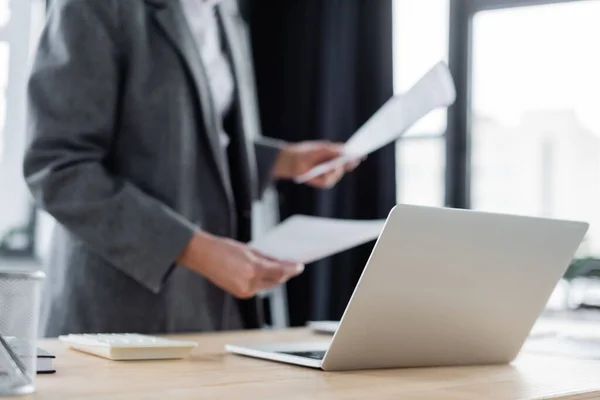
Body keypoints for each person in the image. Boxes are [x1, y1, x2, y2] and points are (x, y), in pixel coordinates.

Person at [23, 0, 359, 336]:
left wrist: (284, 161)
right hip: (117, 322)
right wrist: (194, 249)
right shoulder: (95, 8)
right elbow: (58, 169)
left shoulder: (225, 16)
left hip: (210, 317)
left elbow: (191, 144)